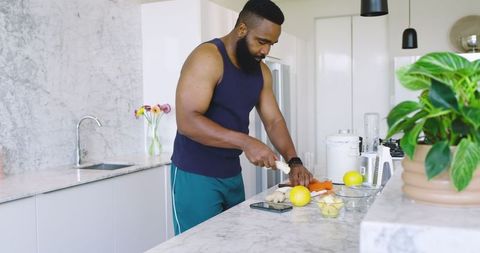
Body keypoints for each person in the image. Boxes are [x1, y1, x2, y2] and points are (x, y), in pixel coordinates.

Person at [170, 0, 312, 235]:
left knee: (233, 243)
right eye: (262, 41)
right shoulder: (208, 58)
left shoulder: (262, 72)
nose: (266, 51)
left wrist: (294, 161)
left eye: (272, 44)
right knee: (197, 246)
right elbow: (187, 121)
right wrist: (246, 142)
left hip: (231, 175)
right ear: (242, 29)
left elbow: (274, 121)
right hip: (195, 175)